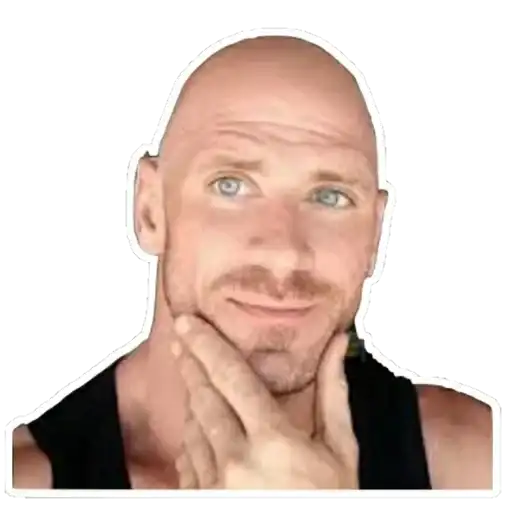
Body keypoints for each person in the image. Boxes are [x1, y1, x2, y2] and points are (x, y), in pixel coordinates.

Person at [10, 33, 493, 491]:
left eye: (330, 196)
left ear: (374, 235)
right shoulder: (26, 481)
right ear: (150, 212)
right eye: (230, 186)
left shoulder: (475, 463)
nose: (284, 253)